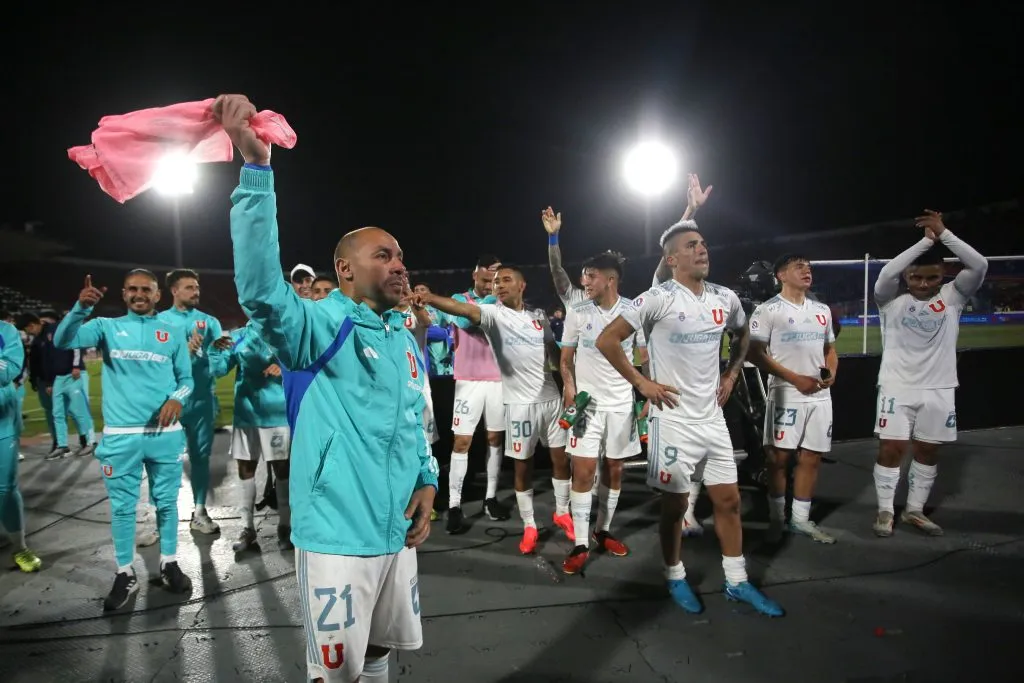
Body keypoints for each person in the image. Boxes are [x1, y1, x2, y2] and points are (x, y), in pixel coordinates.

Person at [215, 93, 438, 683]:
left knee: (381, 654)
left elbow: (414, 418)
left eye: (401, 256)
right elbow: (262, 290)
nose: (399, 265)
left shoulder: (404, 340)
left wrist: (426, 481)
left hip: (396, 529)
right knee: (334, 675)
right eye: (383, 255)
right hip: (338, 534)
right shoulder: (319, 326)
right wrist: (257, 172)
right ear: (344, 270)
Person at [596, 221, 783, 616]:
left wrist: (731, 373)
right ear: (672, 258)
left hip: (712, 418)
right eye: (692, 245)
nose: (702, 250)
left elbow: (743, 335)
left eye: (703, 244)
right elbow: (607, 340)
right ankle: (674, 574)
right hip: (673, 420)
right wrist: (641, 383)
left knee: (729, 502)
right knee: (675, 507)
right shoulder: (656, 298)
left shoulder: (725, 297)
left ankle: (737, 581)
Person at [54, 271, 194, 611]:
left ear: (158, 294)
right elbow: (62, 340)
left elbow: (186, 380)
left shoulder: (174, 332)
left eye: (146, 289)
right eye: (133, 288)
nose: (139, 294)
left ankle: (169, 562)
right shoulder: (105, 327)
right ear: (124, 293)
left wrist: (177, 398)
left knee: (166, 502)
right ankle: (124, 571)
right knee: (121, 507)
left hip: (165, 435)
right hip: (121, 436)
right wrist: (78, 308)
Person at [421, 266, 573, 554]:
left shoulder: (539, 317)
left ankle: (562, 512)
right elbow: (458, 308)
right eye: (495, 282)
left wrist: (568, 384)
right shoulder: (492, 315)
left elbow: (554, 355)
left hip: (551, 401)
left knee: (561, 461)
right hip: (517, 404)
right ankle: (528, 525)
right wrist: (429, 297)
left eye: (506, 280)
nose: (499, 285)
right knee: (522, 466)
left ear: (522, 284)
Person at [871, 210, 988, 537]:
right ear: (907, 277)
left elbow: (979, 266)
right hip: (896, 386)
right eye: (916, 278)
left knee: (927, 450)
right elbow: (885, 275)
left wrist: (945, 234)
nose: (923, 284)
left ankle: (914, 511)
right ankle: (884, 510)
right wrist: (925, 242)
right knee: (891, 448)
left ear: (943, 276)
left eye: (932, 278)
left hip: (939, 388)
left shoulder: (954, 297)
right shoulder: (890, 301)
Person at [559, 251, 647, 574]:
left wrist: (646, 391)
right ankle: (580, 542)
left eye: (591, 275)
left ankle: (602, 530)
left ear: (611, 279)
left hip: (622, 404)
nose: (585, 281)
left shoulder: (633, 311)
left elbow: (643, 356)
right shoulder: (577, 311)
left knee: (615, 470)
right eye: (584, 275)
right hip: (586, 405)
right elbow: (565, 360)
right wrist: (569, 386)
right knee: (582, 472)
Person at [747, 254, 839, 544]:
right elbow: (755, 354)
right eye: (799, 267)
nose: (806, 271)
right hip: (786, 394)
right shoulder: (767, 310)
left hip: (820, 396)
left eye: (809, 267)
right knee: (778, 459)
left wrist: (832, 373)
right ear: (781, 275)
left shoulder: (821, 310)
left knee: (812, 457)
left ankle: (800, 519)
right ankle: (777, 519)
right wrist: (795, 378)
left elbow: (829, 349)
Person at [431, 255, 510, 533]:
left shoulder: (503, 301)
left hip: (499, 379)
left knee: (494, 439)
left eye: (496, 281)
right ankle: (455, 505)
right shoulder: (457, 298)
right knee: (461, 442)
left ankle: (490, 498)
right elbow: (466, 323)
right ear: (474, 276)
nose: (491, 286)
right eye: (486, 280)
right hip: (468, 380)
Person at [156, 269, 228, 536]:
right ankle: (161, 516)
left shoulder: (210, 322)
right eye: (189, 287)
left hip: (200, 402)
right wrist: (182, 354)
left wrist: (208, 352)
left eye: (197, 287)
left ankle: (199, 511)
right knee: (163, 460)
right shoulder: (159, 322)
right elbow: (152, 365)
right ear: (174, 291)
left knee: (200, 457)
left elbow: (220, 367)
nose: (195, 291)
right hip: (169, 402)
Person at [215, 320, 292, 552]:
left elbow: (305, 365)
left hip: (277, 414)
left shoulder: (284, 333)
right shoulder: (237, 335)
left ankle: (285, 526)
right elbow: (218, 370)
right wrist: (213, 350)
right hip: (246, 415)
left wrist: (285, 367)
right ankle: (247, 528)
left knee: (282, 471)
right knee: (245, 470)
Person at [0, 318, 42, 572]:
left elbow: (8, 370)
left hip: (2, 424)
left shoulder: (6, 331)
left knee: (5, 488)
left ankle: (20, 548)